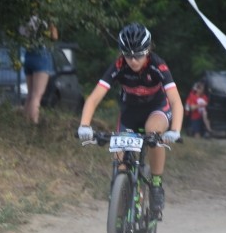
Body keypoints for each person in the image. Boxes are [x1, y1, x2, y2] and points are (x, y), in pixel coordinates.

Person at [77, 22, 183, 216]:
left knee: (153, 133)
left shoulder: (157, 65)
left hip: (156, 109)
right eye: (128, 55)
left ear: (148, 51)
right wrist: (84, 125)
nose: (133, 61)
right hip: (130, 113)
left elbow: (175, 101)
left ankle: (156, 185)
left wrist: (175, 130)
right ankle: (123, 199)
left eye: (138, 55)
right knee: (120, 161)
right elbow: (93, 98)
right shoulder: (119, 66)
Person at [20, 16, 58, 124]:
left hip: (28, 54)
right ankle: (33, 123)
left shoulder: (24, 19)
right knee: (37, 95)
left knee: (30, 94)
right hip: (41, 53)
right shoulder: (44, 18)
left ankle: (25, 122)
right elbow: (54, 36)